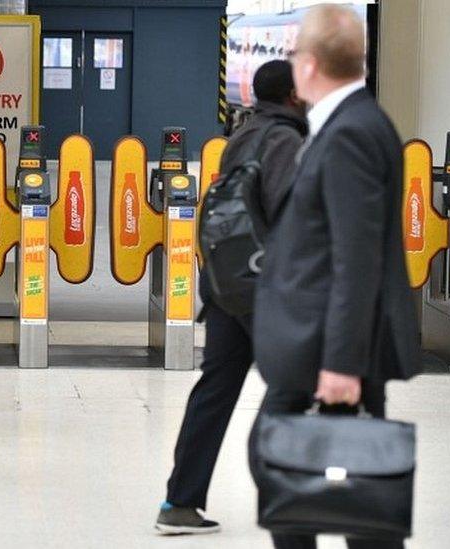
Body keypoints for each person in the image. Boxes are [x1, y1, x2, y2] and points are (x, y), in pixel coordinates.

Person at [249, 6, 420, 549]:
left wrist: (342, 365)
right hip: (321, 341)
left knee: (318, 473)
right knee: (342, 481)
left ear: (311, 64)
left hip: (330, 347)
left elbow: (357, 256)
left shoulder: (349, 132)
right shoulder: (352, 123)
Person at [155, 59, 308, 535]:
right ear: (292, 95)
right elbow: (290, 212)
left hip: (226, 284)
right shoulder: (285, 139)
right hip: (264, 287)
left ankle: (179, 503)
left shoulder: (241, 136)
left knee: (215, 391)